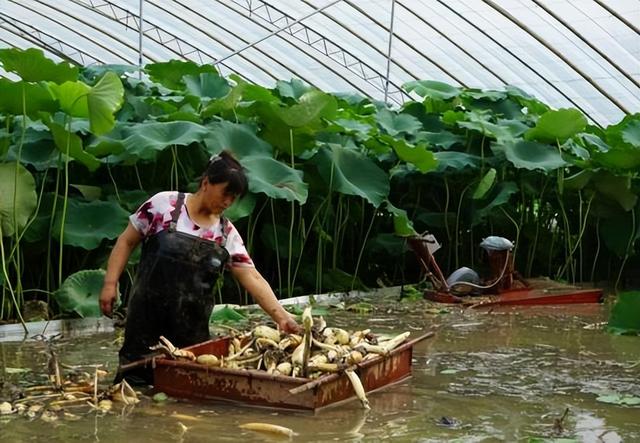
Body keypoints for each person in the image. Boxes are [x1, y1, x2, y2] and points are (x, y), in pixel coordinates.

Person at [99, 150, 300, 385]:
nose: (228, 202)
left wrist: (282, 317)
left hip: (191, 332)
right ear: (206, 183)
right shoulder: (165, 206)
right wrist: (110, 284)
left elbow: (251, 277)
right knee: (133, 387)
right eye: (226, 193)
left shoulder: (225, 234)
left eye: (234, 197)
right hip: (146, 322)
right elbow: (126, 241)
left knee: (187, 392)